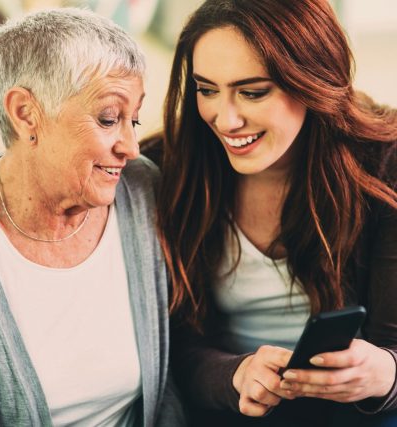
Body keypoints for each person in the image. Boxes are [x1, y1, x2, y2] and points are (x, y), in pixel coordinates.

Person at [0, 7, 185, 426]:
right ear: (26, 113)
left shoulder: (140, 191)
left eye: (133, 120)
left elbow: (179, 368)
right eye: (109, 119)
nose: (131, 146)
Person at [141, 0, 397, 425]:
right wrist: (235, 374)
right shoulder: (169, 166)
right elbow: (171, 346)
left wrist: (383, 373)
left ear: (313, 81)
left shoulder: (384, 160)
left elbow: (392, 343)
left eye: (252, 92)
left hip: (358, 413)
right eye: (206, 90)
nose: (225, 119)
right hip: (227, 404)